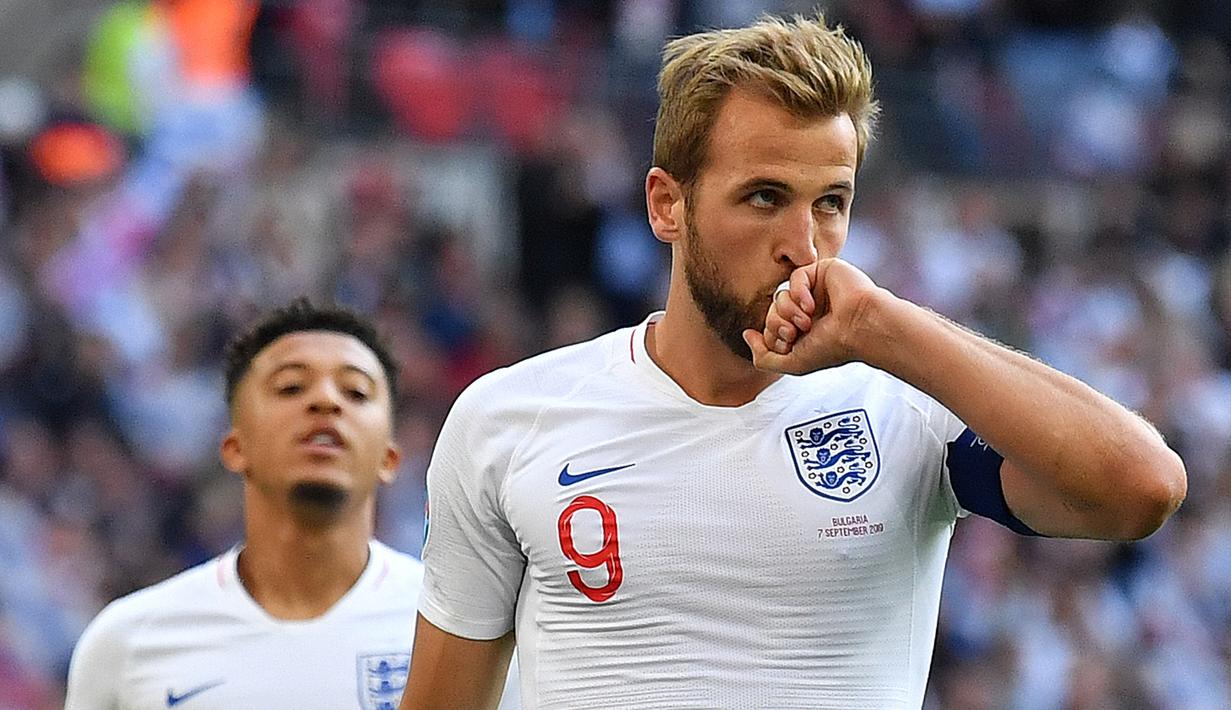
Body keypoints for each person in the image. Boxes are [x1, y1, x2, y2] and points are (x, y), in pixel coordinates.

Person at [400, 13, 1188, 710]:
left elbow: (1138, 490)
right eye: (764, 197)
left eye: (831, 203)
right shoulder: (508, 419)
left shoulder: (906, 410)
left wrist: (884, 323)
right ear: (666, 204)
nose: (803, 247)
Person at [65, 300, 519, 709]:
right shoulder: (127, 643)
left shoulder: (463, 633)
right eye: (290, 387)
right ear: (234, 447)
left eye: (355, 392)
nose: (325, 401)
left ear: (390, 457)